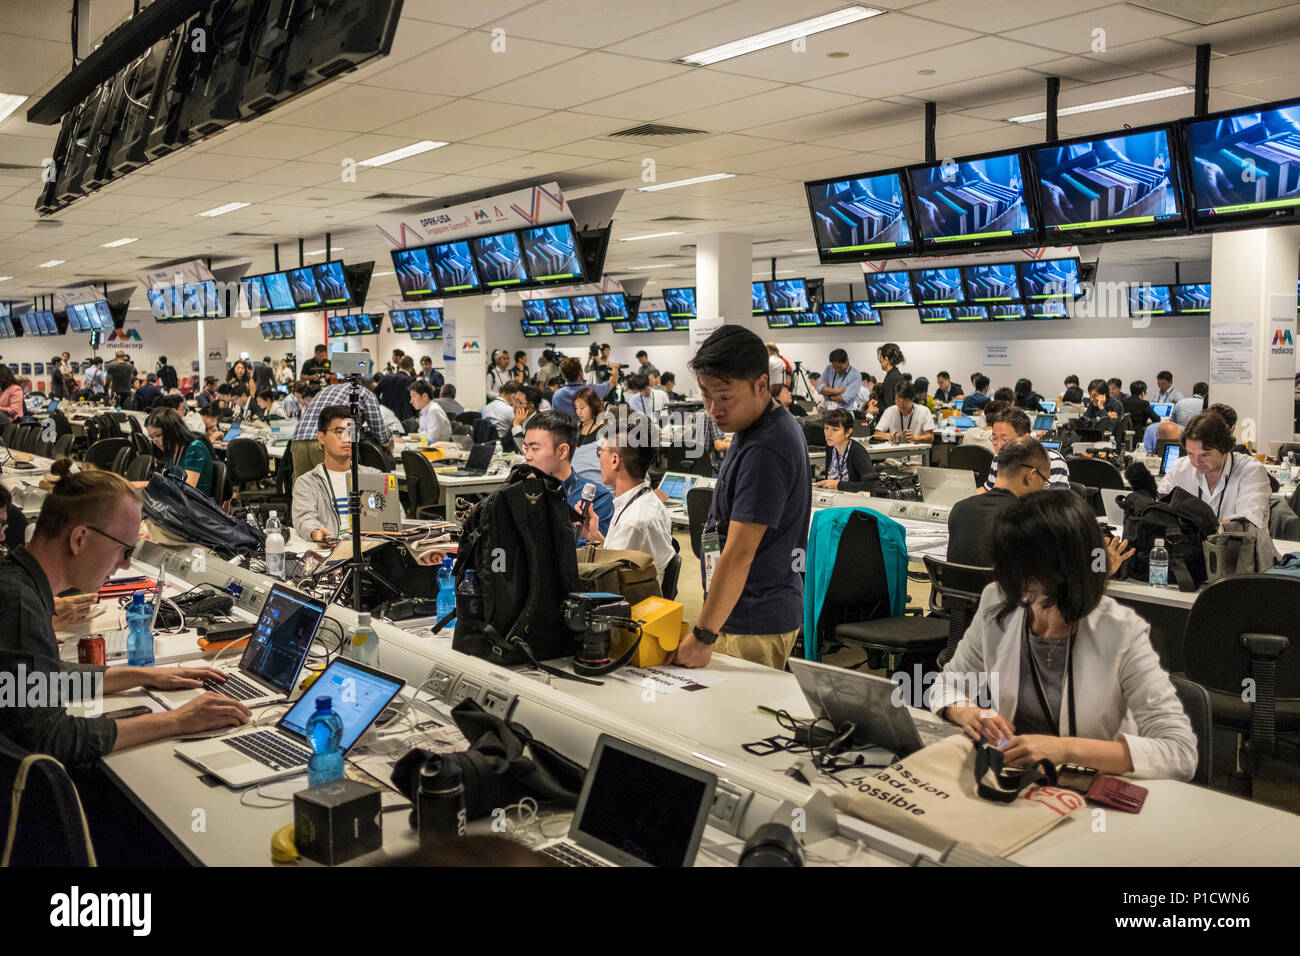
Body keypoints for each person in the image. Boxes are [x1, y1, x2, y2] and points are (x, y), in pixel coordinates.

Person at [931, 491, 1196, 780]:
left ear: (1060, 571)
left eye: (1018, 567)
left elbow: (1179, 751)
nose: (1006, 578)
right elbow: (947, 684)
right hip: (1016, 780)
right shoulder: (997, 601)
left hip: (1091, 788)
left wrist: (1064, 749)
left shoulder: (1121, 631)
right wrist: (969, 713)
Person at [0, 471, 251, 767]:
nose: (126, 564)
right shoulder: (18, 605)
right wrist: (179, 720)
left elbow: (44, 680)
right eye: (124, 549)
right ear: (80, 538)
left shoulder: (19, 584)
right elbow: (52, 739)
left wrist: (144, 676)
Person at [667, 327, 810, 671]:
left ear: (761, 385)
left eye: (724, 397)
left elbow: (740, 552)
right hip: (744, 612)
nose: (713, 409)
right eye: (705, 395)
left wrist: (703, 634)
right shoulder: (755, 428)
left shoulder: (767, 448)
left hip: (752, 619)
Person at [578, 416, 675, 584]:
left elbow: (609, 581)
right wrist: (596, 536)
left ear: (615, 460)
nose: (599, 458)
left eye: (600, 452)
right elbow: (620, 556)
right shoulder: (645, 499)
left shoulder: (633, 522)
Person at [1158, 411, 1270, 530]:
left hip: (1239, 546)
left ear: (1224, 448)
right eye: (1190, 454)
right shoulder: (1180, 468)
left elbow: (1247, 522)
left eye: (1205, 455)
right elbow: (1159, 506)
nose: (1196, 462)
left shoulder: (1251, 471)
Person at [948, 438, 1053, 565]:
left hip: (957, 585)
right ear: (1030, 476)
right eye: (1044, 481)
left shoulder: (960, 509)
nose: (1044, 488)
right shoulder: (1027, 519)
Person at [292, 405, 384, 543]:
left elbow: (396, 516)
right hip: (331, 551)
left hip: (372, 550)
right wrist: (315, 532)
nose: (347, 439)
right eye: (339, 431)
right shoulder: (308, 482)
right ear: (321, 437)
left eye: (351, 432)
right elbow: (304, 519)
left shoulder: (374, 476)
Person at [520, 411, 613, 540]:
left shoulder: (595, 499)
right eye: (525, 448)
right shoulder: (520, 492)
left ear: (562, 451)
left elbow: (590, 555)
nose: (527, 456)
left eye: (535, 449)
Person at [982, 407, 1070, 491]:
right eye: (994, 439)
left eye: (1005, 440)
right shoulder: (999, 457)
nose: (999, 445)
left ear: (1025, 439)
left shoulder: (1052, 461)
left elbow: (1056, 503)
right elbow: (988, 490)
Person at [290, 381, 394, 451]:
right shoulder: (366, 394)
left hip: (298, 441)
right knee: (333, 483)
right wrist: (390, 441)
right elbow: (380, 434)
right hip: (324, 445)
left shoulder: (327, 389)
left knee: (303, 483)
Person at [144, 408, 214, 496]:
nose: (154, 441)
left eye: (158, 435)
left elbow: (185, 492)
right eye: (151, 437)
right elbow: (164, 483)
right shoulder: (171, 449)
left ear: (173, 431)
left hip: (194, 506)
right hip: (176, 504)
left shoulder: (195, 448)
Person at [813, 408, 877, 491]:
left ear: (848, 432)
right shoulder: (831, 447)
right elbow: (833, 479)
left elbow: (872, 485)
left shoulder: (857, 452)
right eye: (826, 428)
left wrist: (839, 485)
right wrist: (816, 481)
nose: (828, 434)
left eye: (835, 430)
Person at [375, 355, 416, 423]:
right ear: (411, 366)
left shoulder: (387, 378)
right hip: (404, 417)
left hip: (385, 415)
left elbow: (374, 393)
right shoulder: (410, 380)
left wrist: (380, 405)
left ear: (399, 365)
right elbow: (414, 399)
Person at [876, 343, 905, 411]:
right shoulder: (895, 375)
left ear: (886, 360)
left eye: (880, 359)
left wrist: (876, 409)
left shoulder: (891, 378)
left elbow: (889, 407)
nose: (880, 362)